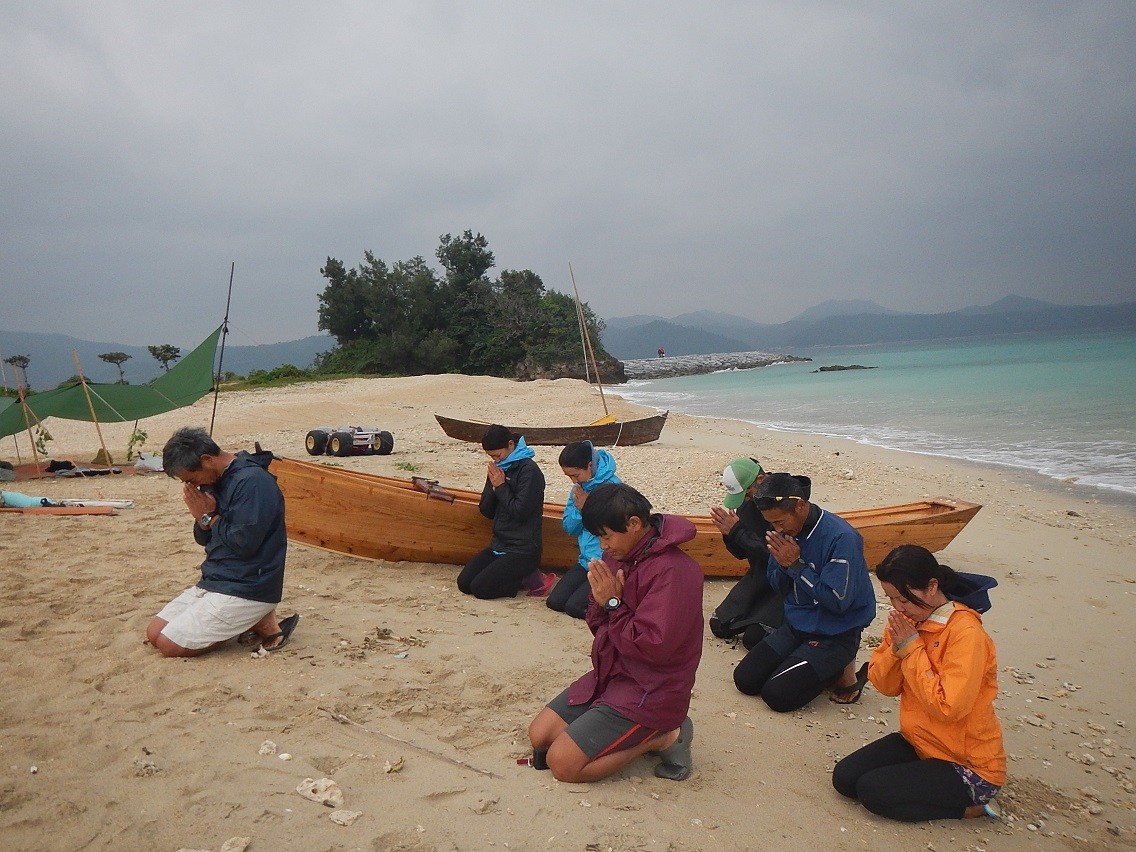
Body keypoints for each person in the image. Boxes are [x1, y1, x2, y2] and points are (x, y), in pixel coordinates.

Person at [527, 483, 704, 783]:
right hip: (613, 672)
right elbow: (600, 625)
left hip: (651, 687)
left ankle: (664, 736)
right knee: (540, 736)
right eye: (599, 537)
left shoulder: (675, 571)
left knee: (563, 765)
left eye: (606, 536)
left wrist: (612, 603)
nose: (603, 545)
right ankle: (613, 723)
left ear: (634, 524)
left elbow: (653, 647)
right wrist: (604, 604)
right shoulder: (620, 556)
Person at [832, 545, 1005, 822]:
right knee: (844, 778)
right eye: (891, 599)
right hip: (921, 742)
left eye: (904, 599)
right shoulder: (908, 622)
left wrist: (911, 648)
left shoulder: (966, 633)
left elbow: (948, 708)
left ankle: (969, 809)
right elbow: (885, 685)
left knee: (871, 792)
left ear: (932, 586)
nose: (898, 608)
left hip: (967, 764)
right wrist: (896, 648)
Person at [146, 426, 298, 657]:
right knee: (154, 633)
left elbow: (244, 544)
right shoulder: (215, 479)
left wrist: (208, 516)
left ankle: (259, 621)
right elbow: (202, 537)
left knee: (169, 645)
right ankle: (250, 622)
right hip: (217, 580)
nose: (194, 486)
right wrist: (202, 519)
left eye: (192, 479)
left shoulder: (252, 482)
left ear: (206, 459)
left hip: (249, 586)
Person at [732, 473, 875, 711]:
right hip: (799, 625)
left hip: (835, 632)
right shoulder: (784, 533)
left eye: (779, 522)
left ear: (800, 505)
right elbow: (778, 585)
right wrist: (780, 563)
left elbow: (837, 602)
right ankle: (811, 664)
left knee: (776, 696)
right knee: (745, 680)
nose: (775, 529)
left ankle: (842, 670)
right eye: (771, 523)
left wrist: (796, 567)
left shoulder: (842, 538)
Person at [708, 458, 812, 647]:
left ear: (761, 480)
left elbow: (779, 554)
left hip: (787, 580)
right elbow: (741, 553)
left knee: (753, 640)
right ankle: (759, 614)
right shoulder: (748, 504)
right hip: (760, 575)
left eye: (748, 495)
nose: (747, 500)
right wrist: (729, 534)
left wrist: (738, 531)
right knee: (719, 625)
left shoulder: (787, 504)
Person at [457, 424, 546, 599]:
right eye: (492, 457)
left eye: (498, 455)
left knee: (480, 589)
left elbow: (520, 512)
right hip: (500, 544)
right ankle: (515, 576)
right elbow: (486, 510)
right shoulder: (499, 468)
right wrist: (493, 485)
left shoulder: (530, 471)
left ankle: (531, 578)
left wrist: (502, 486)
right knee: (465, 584)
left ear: (511, 445)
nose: (496, 460)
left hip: (523, 550)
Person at [546, 441, 621, 620]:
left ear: (589, 466)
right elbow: (570, 528)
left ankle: (617, 608)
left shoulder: (614, 489)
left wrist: (588, 509)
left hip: (606, 563)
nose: (573, 481)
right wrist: (581, 512)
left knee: (574, 607)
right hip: (585, 561)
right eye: (569, 476)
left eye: (576, 475)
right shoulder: (579, 489)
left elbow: (615, 531)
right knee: (555, 602)